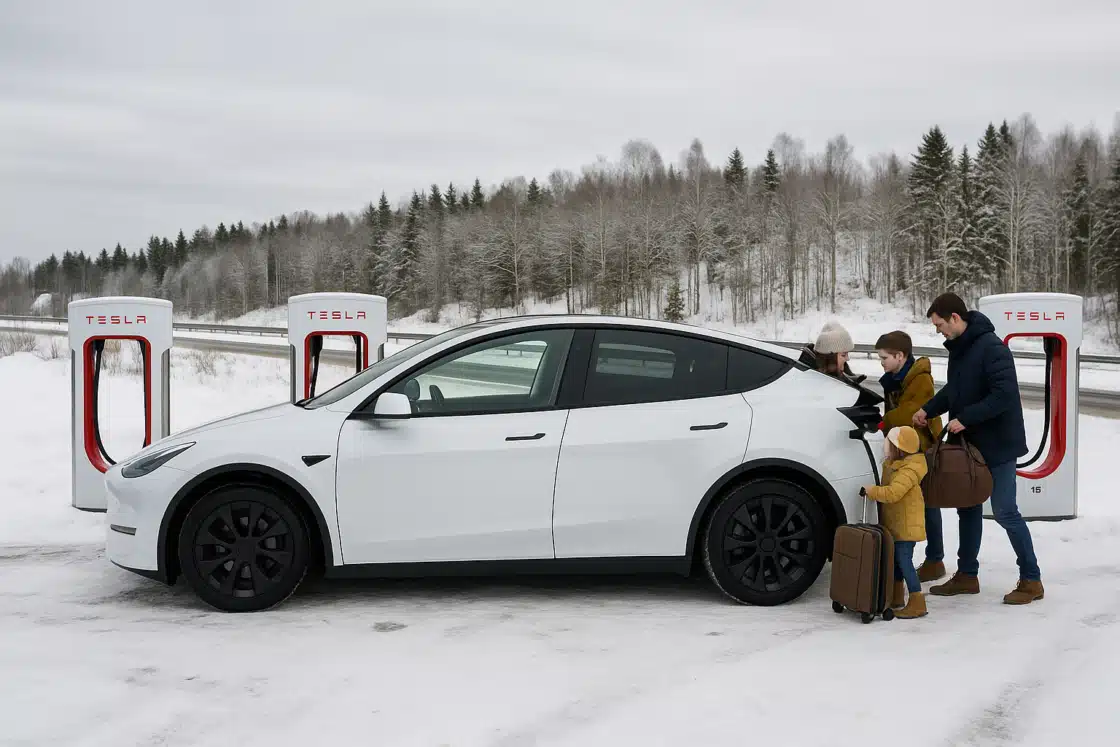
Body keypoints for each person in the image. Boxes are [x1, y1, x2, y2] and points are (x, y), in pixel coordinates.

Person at [912, 292, 1043, 605]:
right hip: (971, 444)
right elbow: (955, 391)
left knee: (1005, 511)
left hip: (997, 445)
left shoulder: (991, 347)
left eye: (940, 324)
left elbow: (1004, 395)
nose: (938, 330)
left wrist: (964, 418)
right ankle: (967, 576)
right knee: (967, 506)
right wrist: (927, 410)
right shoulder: (961, 348)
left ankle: (1032, 579)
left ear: (956, 318)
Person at [861, 425, 929, 619]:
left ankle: (917, 601)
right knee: (897, 562)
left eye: (890, 445)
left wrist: (871, 491)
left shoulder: (908, 471)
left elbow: (893, 493)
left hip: (906, 527)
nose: (886, 448)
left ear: (900, 448)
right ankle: (897, 597)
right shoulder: (895, 465)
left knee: (904, 562)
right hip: (898, 524)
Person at [875, 330, 943, 451]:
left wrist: (884, 422)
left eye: (884, 358)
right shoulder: (892, 380)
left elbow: (910, 413)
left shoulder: (921, 378)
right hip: (901, 442)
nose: (881, 362)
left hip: (920, 447)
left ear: (900, 356)